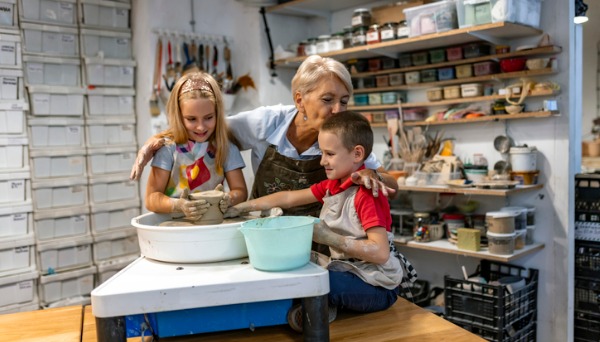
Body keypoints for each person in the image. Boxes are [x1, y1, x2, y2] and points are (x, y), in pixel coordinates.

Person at [131, 55, 398, 217]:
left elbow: (392, 185)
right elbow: (206, 126)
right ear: (300, 100)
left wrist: (374, 176)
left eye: (344, 101)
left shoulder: (344, 136)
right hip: (266, 225)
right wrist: (157, 140)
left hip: (321, 233)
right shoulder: (268, 122)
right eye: (328, 99)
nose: (338, 110)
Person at [224, 111, 417, 331]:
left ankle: (319, 307)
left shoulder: (365, 195)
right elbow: (287, 197)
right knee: (299, 267)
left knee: (321, 280)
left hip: (376, 285)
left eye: (329, 153)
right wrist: (241, 207)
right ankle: (317, 307)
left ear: (357, 154)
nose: (322, 160)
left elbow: (380, 252)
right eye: (321, 152)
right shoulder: (332, 185)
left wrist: (331, 238)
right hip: (350, 272)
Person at [145, 71, 248, 221]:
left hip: (211, 223)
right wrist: (178, 205)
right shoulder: (168, 149)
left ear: (217, 114)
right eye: (191, 119)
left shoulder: (226, 148)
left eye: (208, 118)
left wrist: (228, 199)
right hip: (174, 226)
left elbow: (240, 191)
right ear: (179, 116)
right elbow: (151, 198)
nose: (201, 127)